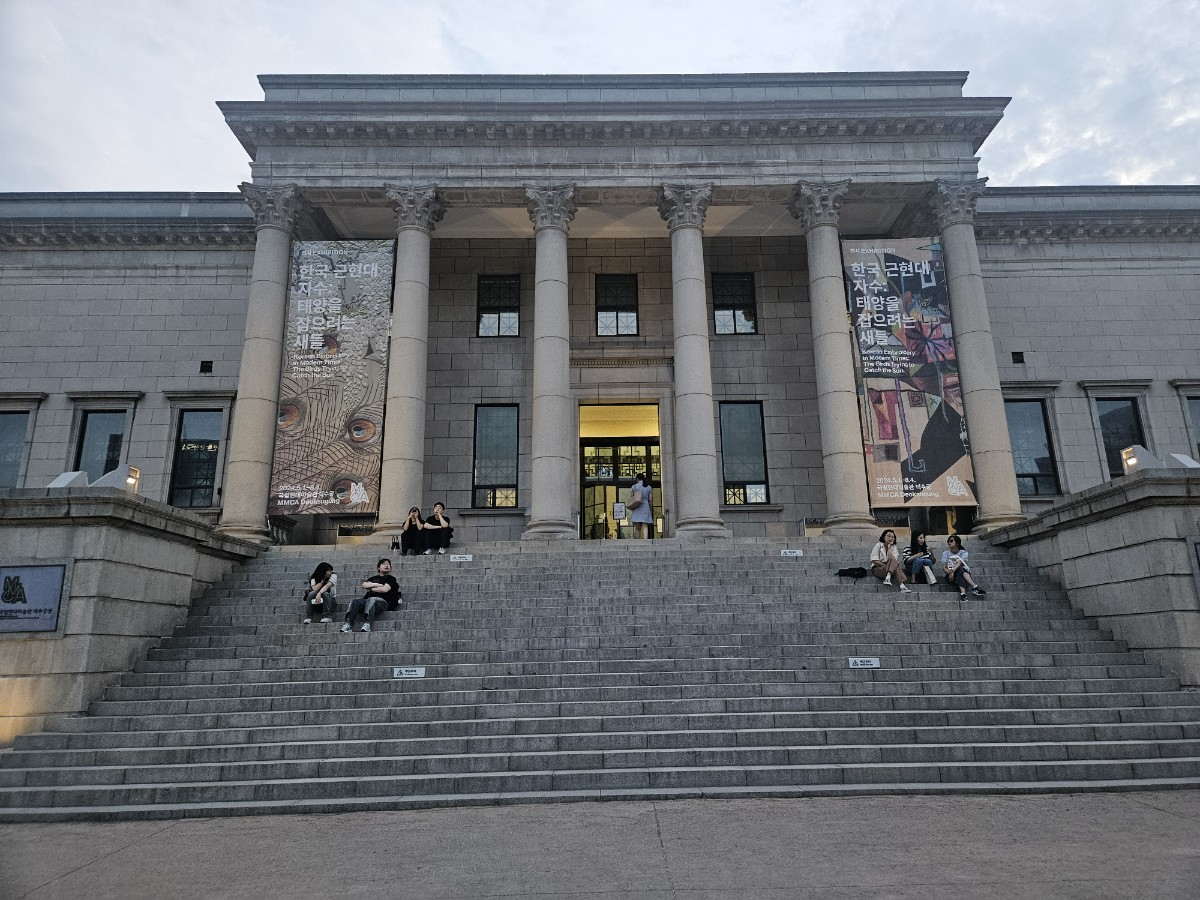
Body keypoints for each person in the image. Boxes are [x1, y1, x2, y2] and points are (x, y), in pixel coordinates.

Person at [342, 558, 401, 633]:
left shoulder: (391, 579)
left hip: (383, 602)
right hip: (368, 601)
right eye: (384, 564)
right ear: (378, 568)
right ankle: (348, 624)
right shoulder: (373, 578)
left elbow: (384, 590)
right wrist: (377, 585)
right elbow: (364, 585)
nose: (386, 565)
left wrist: (372, 588)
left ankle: (367, 623)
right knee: (355, 601)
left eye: (388, 564)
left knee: (372, 599)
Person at [941, 534, 987, 601]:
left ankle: (963, 594)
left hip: (960, 573)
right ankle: (974, 587)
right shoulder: (945, 553)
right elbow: (944, 567)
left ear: (957, 543)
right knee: (960, 570)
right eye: (948, 541)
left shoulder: (963, 553)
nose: (949, 543)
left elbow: (960, 563)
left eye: (951, 541)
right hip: (950, 577)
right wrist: (949, 572)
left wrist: (953, 571)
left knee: (960, 569)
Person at [629, 472, 653, 539]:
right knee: (645, 524)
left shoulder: (634, 487)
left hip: (637, 506)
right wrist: (650, 508)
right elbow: (650, 500)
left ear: (637, 479)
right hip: (645, 506)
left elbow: (631, 497)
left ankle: (637, 540)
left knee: (637, 526)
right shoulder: (648, 487)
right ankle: (645, 539)